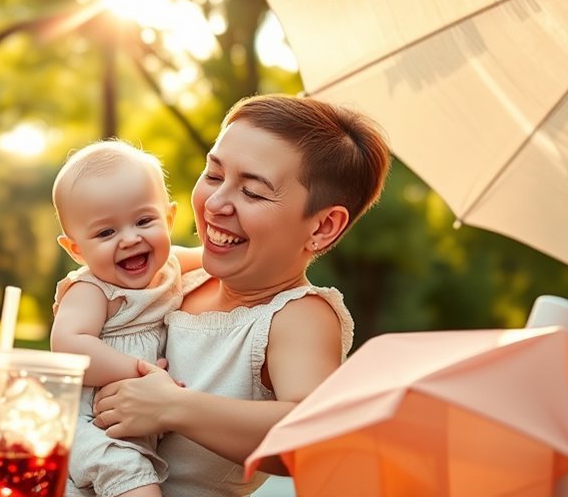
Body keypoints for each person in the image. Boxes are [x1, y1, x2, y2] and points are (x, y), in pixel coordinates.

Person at [89, 94, 391, 496]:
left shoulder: (296, 315)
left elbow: (314, 437)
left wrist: (173, 407)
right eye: (214, 175)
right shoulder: (181, 278)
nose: (215, 203)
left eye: (252, 192)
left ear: (321, 227)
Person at [50, 140, 199, 497]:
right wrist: (141, 372)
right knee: (136, 484)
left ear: (169, 218)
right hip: (89, 426)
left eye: (144, 220)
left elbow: (217, 259)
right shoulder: (92, 290)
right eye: (106, 232)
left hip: (128, 427)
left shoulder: (171, 264)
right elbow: (69, 345)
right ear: (76, 249)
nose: (130, 238)